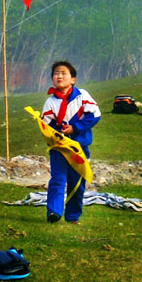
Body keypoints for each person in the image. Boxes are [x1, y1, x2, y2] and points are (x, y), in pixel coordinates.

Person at [42, 61, 101, 224]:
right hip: (59, 149)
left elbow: (95, 115)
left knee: (77, 183)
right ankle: (53, 212)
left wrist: (75, 128)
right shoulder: (50, 102)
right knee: (57, 179)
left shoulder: (82, 96)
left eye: (63, 73)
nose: (59, 76)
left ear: (73, 79)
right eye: (55, 73)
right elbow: (45, 125)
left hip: (79, 148)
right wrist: (56, 134)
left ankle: (73, 216)